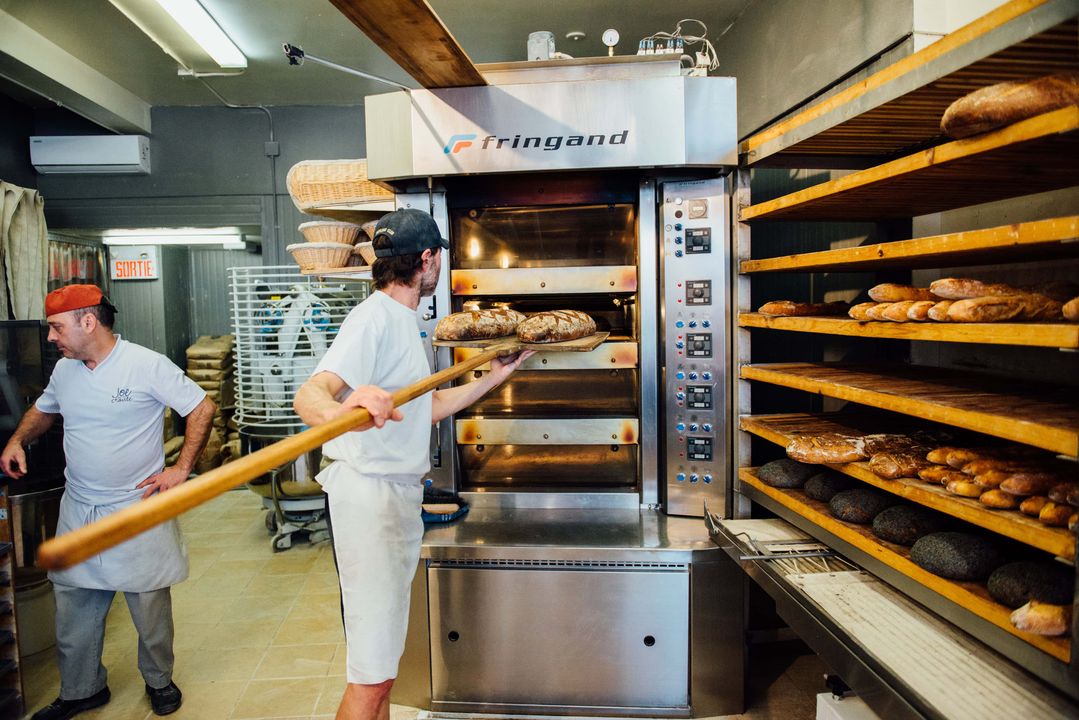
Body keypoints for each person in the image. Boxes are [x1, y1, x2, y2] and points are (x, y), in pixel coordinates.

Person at [294, 208, 531, 720]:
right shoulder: (372, 319)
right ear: (427, 259)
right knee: (371, 675)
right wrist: (343, 414)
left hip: (393, 498)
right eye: (440, 254)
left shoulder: (407, 321)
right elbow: (309, 395)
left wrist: (494, 375)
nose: (440, 262)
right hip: (369, 500)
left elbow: (429, 409)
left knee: (382, 667)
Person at [0, 284, 215, 720]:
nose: (50, 338)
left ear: (88, 321)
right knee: (74, 604)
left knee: (149, 605)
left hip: (137, 506)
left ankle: (159, 681)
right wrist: (18, 439)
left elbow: (201, 408)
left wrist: (181, 467)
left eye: (57, 327)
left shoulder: (144, 364)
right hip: (80, 506)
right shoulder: (65, 370)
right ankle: (82, 690)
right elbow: (45, 409)